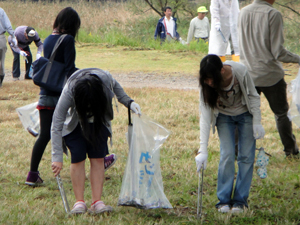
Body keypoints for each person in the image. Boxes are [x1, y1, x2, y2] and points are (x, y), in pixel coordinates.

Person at [51, 68, 142, 215]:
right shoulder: (70, 89)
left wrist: (129, 102)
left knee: (98, 159)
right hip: (75, 125)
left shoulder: (105, 80)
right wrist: (57, 157)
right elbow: (57, 121)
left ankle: (96, 202)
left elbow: (116, 86)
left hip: (99, 123)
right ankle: (79, 202)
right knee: (77, 159)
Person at [195, 54, 265, 213]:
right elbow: (205, 116)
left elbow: (253, 96)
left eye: (212, 78)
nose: (209, 83)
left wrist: (257, 121)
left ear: (221, 70)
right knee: (227, 154)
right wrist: (202, 149)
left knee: (246, 156)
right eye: (205, 79)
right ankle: (223, 201)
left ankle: (240, 201)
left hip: (245, 114)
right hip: (224, 117)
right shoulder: (205, 85)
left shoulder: (239, 71)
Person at [25, 7, 82, 186]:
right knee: (76, 129)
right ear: (73, 25)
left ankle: (32, 175)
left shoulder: (49, 38)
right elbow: (69, 69)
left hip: (45, 93)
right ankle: (100, 159)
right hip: (61, 94)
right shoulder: (68, 40)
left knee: (45, 135)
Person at [239, 0, 300, 158]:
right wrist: (298, 58)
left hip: (247, 73)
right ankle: (290, 150)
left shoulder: (243, 12)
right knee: (281, 113)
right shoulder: (273, 14)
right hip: (270, 74)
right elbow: (278, 52)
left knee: (245, 114)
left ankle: (243, 151)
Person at [0, 8, 17, 87]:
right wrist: (12, 36)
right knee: (1, 61)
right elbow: (7, 24)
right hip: (0, 37)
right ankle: (1, 78)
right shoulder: (1, 10)